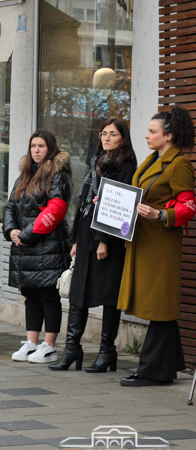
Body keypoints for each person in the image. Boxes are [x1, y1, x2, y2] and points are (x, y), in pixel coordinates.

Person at [50, 119, 136, 372]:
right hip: (87, 233)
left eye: (113, 134)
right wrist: (76, 239)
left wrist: (103, 240)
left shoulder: (126, 166)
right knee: (78, 293)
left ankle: (106, 352)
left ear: (123, 138)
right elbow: (84, 203)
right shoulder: (96, 162)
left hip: (108, 239)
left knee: (108, 296)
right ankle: (72, 348)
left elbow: (120, 207)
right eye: (103, 134)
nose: (106, 138)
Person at [118, 107, 196, 387]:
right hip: (145, 241)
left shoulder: (179, 165)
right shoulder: (153, 159)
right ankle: (167, 367)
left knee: (159, 306)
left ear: (170, 136)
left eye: (153, 131)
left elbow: (189, 206)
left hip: (161, 244)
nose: (147, 135)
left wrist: (161, 214)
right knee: (158, 303)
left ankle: (151, 371)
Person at [4, 130, 72, 364]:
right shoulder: (24, 173)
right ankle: (31, 343)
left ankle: (50, 346)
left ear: (50, 148)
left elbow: (56, 209)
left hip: (49, 246)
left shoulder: (57, 174)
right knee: (30, 294)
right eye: (33, 145)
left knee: (48, 295)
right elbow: (10, 205)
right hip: (25, 244)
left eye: (41, 146)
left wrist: (26, 235)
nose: (36, 150)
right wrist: (11, 230)